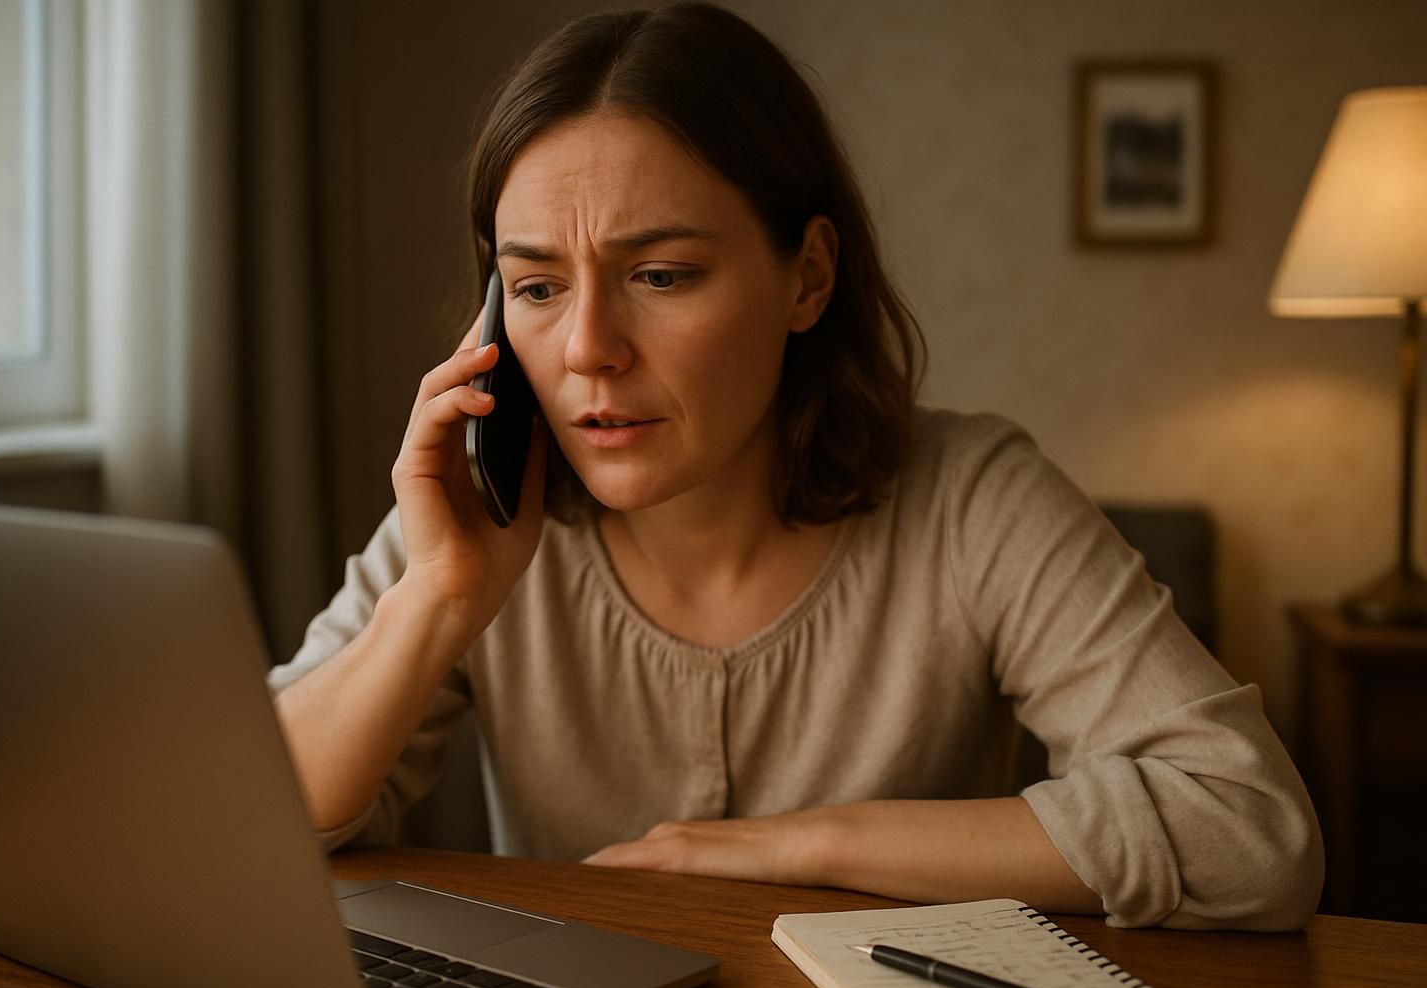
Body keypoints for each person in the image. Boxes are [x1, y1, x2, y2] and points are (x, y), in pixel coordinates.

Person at [269, 2, 1322, 930]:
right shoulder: (472, 520)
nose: (589, 346)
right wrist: (438, 599)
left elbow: (1251, 827)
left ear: (808, 276)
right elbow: (239, 831)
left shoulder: (973, 499)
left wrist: (791, 847)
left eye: (662, 273)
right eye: (537, 288)